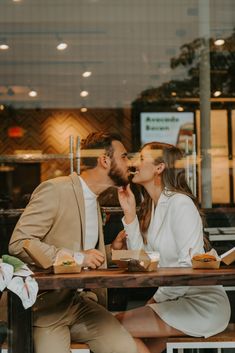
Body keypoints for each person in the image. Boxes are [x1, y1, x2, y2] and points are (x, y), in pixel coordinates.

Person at [9, 132, 139, 353]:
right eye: (125, 156)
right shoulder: (56, 189)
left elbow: (84, 252)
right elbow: (20, 242)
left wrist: (110, 251)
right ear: (105, 160)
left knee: (125, 348)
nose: (131, 163)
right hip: (48, 308)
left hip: (82, 303)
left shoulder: (95, 200)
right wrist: (78, 257)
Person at [112, 141, 231, 353]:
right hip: (177, 300)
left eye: (141, 158)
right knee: (129, 341)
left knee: (112, 327)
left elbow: (188, 269)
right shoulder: (152, 207)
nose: (133, 163)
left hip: (202, 305)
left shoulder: (180, 204)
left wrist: (154, 300)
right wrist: (129, 213)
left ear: (159, 167)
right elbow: (144, 260)